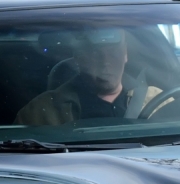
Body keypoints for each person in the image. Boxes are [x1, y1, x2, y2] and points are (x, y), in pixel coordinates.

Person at [15, 28, 162, 126]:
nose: (105, 61)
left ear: (125, 54)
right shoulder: (42, 111)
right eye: (95, 53)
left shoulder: (157, 101)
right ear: (78, 58)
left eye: (112, 52)